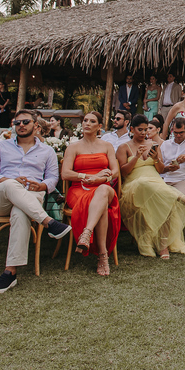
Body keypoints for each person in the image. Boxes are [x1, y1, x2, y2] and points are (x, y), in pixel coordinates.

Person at [0, 110, 72, 294]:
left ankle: (10, 272)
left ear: (36, 126)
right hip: (0, 198)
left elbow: (53, 178)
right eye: (17, 122)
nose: (20, 125)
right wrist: (6, 180)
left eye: (25, 122)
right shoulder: (0, 147)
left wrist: (42, 186)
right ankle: (48, 222)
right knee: (11, 184)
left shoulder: (47, 151)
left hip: (31, 195)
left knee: (21, 211)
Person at [116, 115, 185, 259]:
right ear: (132, 129)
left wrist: (156, 159)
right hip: (134, 186)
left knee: (164, 200)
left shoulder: (153, 145)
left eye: (146, 130)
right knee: (144, 183)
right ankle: (178, 196)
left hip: (155, 183)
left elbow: (160, 169)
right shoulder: (123, 147)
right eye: (140, 130)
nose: (144, 133)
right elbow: (124, 172)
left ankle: (163, 245)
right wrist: (137, 157)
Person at [60, 111, 119, 276]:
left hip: (102, 187)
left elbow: (115, 172)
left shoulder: (107, 146)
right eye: (85, 120)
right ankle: (102, 256)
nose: (87, 123)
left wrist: (100, 179)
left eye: (92, 121)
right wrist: (87, 176)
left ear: (99, 127)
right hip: (79, 189)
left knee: (103, 190)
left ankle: (86, 233)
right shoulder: (73, 147)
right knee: (102, 209)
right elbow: (65, 174)